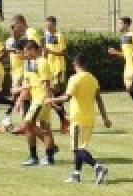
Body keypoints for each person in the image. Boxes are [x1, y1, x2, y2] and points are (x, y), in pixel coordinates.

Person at [48, 54, 112, 185]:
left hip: (78, 119)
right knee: (80, 147)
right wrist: (105, 118)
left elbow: (66, 97)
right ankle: (76, 175)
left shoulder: (74, 79)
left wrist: (51, 99)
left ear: (75, 64)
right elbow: (99, 99)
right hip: (89, 119)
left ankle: (98, 168)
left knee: (77, 149)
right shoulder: (93, 79)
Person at [15, 40, 57, 166]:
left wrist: (49, 99)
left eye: (26, 51)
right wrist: (19, 96)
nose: (25, 53)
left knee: (28, 124)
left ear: (32, 50)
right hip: (38, 100)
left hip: (41, 100)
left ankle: (34, 157)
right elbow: (29, 84)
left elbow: (46, 83)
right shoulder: (29, 64)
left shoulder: (42, 62)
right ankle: (49, 157)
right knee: (44, 129)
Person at [108, 16, 133, 115]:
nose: (118, 26)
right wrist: (115, 52)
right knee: (132, 87)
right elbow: (125, 55)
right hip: (128, 67)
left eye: (120, 23)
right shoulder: (123, 38)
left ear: (126, 24)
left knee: (131, 87)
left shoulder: (132, 35)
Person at [42, 16, 71, 134]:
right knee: (52, 95)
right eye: (46, 25)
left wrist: (50, 52)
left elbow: (63, 52)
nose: (47, 27)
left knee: (55, 94)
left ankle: (64, 122)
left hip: (58, 68)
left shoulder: (59, 36)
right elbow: (45, 51)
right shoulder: (46, 35)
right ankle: (64, 120)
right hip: (49, 69)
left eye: (49, 25)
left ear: (54, 25)